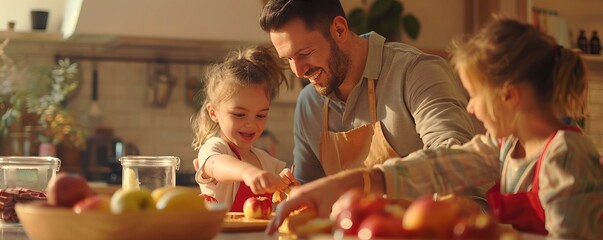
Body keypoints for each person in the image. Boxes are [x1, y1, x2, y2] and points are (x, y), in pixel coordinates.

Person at [266, 17, 603, 239]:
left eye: (474, 96)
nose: (469, 107)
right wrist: (355, 182)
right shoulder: (500, 149)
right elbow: (437, 166)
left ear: (509, 97)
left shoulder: (564, 155)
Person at [259, 0, 476, 183]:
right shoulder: (309, 104)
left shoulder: (416, 72)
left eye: (305, 53)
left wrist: (378, 183)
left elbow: (454, 160)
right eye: (288, 59)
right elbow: (307, 194)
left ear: (339, 30)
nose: (298, 72)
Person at [191, 46, 297, 212]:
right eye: (240, 114)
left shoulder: (266, 162)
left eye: (261, 115)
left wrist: (285, 182)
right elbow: (215, 164)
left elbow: (283, 186)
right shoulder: (215, 148)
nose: (251, 124)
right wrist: (248, 173)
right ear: (214, 113)